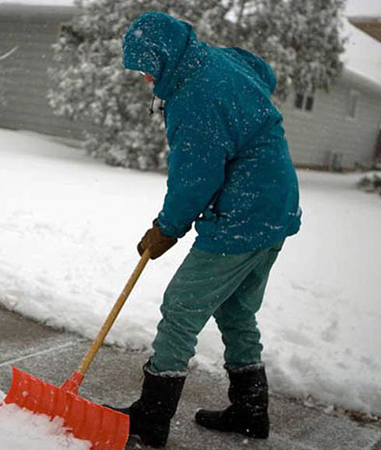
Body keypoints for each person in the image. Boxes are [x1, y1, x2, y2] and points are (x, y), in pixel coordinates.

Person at [112, 11, 302, 448]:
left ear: (163, 57)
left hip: (244, 214)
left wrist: (167, 228)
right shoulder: (212, 61)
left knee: (181, 307)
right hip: (277, 207)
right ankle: (250, 411)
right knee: (237, 312)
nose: (144, 78)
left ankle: (151, 419)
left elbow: (195, 177)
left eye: (146, 68)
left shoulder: (194, 97)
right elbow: (260, 71)